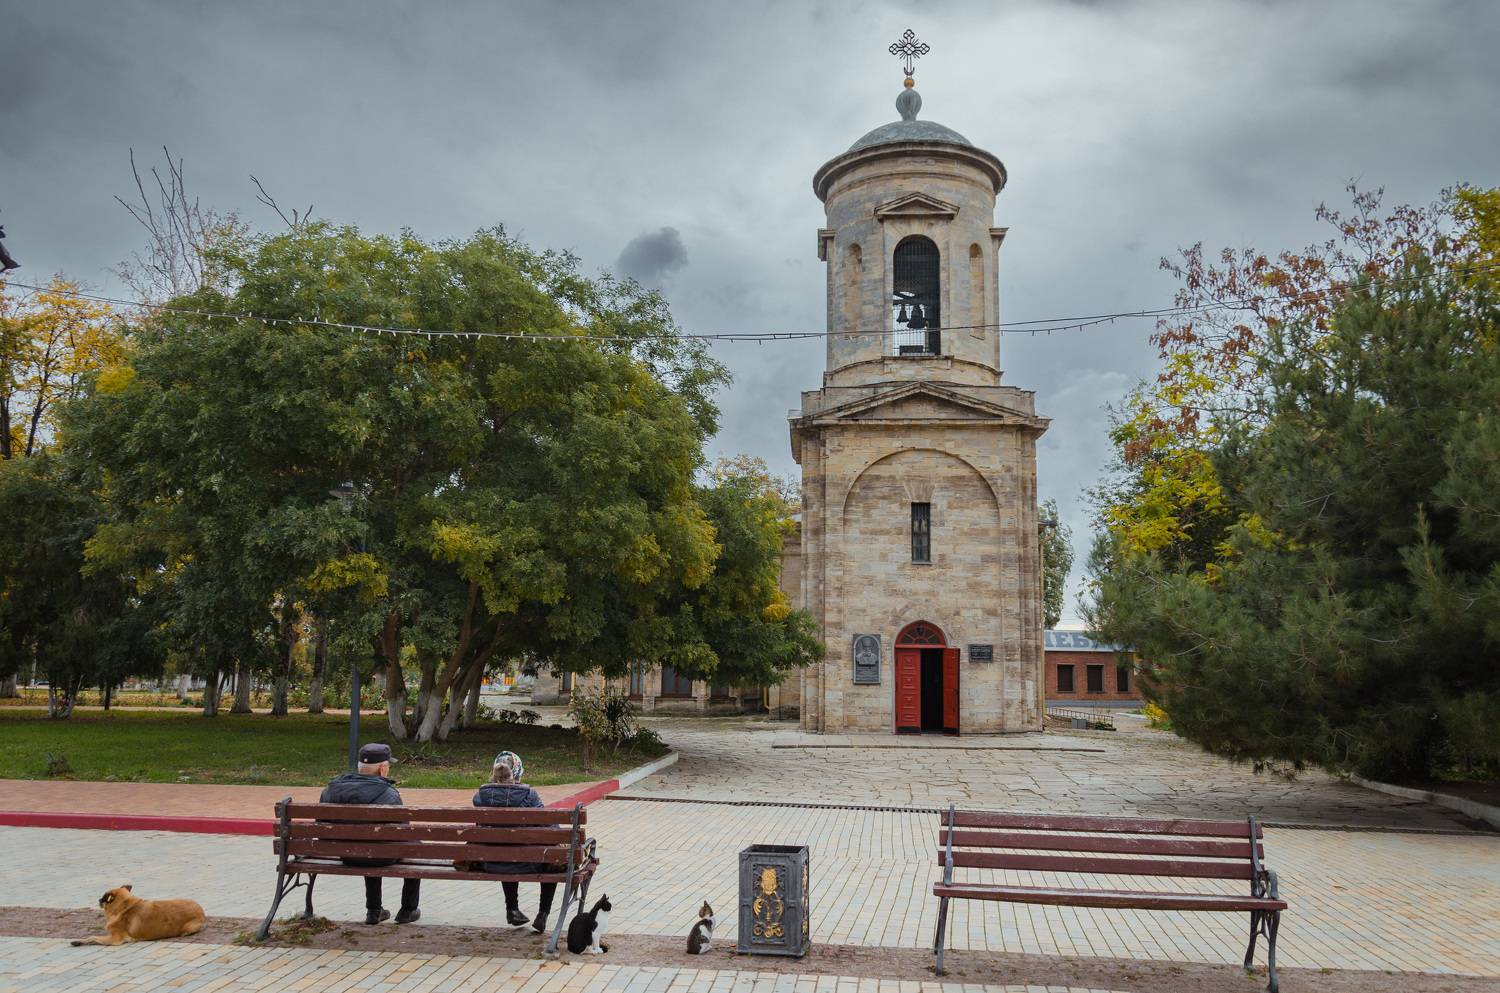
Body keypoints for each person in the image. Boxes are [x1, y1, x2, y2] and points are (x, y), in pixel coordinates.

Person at [319, 743, 421, 925]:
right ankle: (408, 909)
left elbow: (320, 826)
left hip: (347, 855)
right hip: (380, 857)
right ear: (382, 769)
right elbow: (401, 832)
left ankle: (373, 910)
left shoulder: (331, 790)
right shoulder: (389, 794)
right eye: (388, 765)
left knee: (369, 845)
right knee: (413, 846)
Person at [473, 750, 557, 933]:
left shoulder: (480, 797)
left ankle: (512, 909)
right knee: (551, 856)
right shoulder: (529, 795)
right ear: (517, 772)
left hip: (491, 863)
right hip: (528, 864)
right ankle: (543, 914)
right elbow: (551, 828)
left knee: (504, 849)